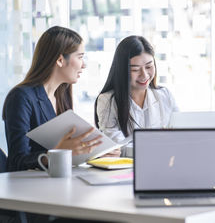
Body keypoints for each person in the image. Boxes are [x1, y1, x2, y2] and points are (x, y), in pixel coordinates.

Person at [2, 26, 103, 223]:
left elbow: (68, 149)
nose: (84, 65)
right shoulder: (22, 97)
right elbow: (16, 161)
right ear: (59, 60)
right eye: (80, 57)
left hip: (61, 189)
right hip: (35, 198)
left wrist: (92, 148)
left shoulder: (61, 94)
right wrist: (56, 154)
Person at [95, 35, 178, 157]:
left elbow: (180, 134)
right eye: (135, 70)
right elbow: (117, 147)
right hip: (126, 170)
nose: (144, 75)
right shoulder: (107, 100)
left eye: (149, 66)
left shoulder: (164, 95)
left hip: (164, 163)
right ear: (122, 71)